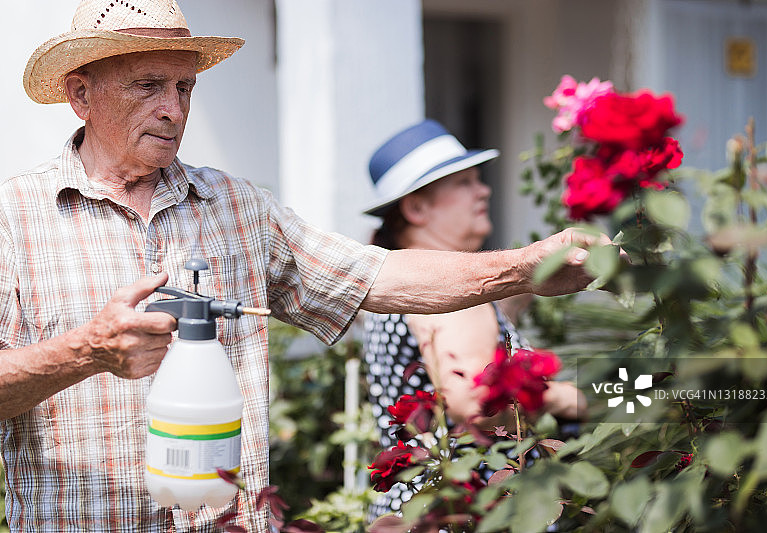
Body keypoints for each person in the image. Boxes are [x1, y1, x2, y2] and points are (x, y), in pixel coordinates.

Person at [0, 1, 610, 531]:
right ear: (80, 93)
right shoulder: (14, 218)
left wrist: (527, 266)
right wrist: (85, 351)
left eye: (185, 87)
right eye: (148, 85)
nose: (173, 109)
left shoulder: (236, 207)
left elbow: (378, 275)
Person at [361, 119, 587, 517]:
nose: (482, 190)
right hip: (469, 511)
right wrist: (572, 398)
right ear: (416, 207)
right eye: (464, 182)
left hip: (422, 508)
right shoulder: (449, 290)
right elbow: (475, 401)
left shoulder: (408, 283)